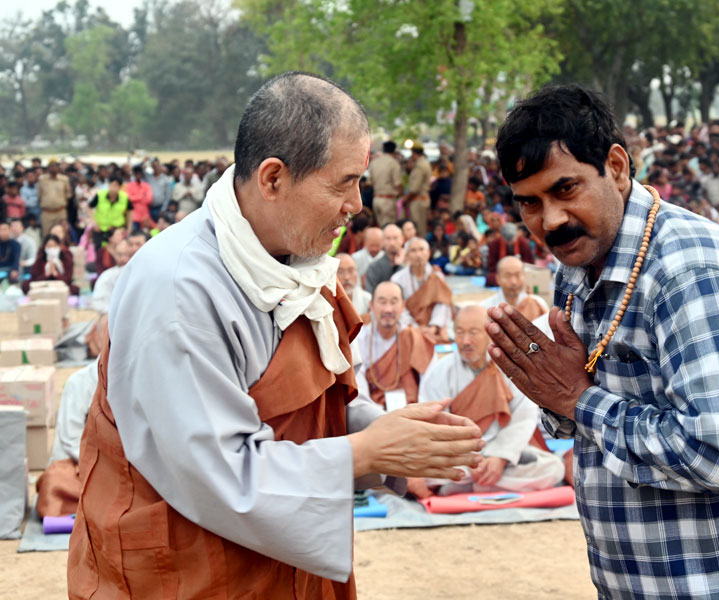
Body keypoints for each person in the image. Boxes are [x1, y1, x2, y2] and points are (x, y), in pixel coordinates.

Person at [68, 72, 484, 599]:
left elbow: (313, 396)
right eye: (343, 183)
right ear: (272, 179)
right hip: (189, 568)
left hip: (279, 563)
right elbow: (219, 471)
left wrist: (397, 437)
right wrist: (366, 453)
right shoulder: (178, 289)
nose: (356, 204)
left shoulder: (298, 263)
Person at [488, 84, 719, 599]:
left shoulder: (692, 270)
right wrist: (559, 396)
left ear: (616, 166)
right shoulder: (577, 260)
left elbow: (716, 454)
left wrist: (578, 400)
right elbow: (579, 413)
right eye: (529, 203)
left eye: (566, 189)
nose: (551, 222)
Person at [412, 305, 564, 498]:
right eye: (460, 332)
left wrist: (499, 459)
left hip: (501, 451)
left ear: (489, 334)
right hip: (458, 457)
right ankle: (489, 487)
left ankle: (467, 489)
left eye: (473, 333)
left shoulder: (510, 368)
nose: (466, 341)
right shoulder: (439, 373)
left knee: (553, 468)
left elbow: (524, 417)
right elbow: (434, 425)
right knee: (423, 472)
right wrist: (468, 458)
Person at [35, 357, 101, 519]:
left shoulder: (135, 381)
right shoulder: (79, 382)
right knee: (53, 483)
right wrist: (101, 464)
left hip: (124, 467)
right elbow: (71, 439)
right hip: (83, 463)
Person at [353, 281, 433, 410]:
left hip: (410, 410)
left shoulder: (413, 338)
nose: (388, 309)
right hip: (374, 410)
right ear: (372, 306)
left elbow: (429, 381)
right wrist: (372, 413)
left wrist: (421, 411)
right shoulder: (361, 339)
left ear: (403, 306)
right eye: (382, 302)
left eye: (394, 302)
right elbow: (358, 384)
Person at [390, 237, 453, 343]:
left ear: (428, 253)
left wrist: (433, 327)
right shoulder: (397, 279)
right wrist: (415, 328)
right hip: (409, 326)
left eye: (421, 250)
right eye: (413, 251)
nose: (418, 254)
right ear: (407, 255)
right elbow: (399, 307)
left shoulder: (437, 276)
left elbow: (443, 303)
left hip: (434, 327)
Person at [482, 256, 549, 320]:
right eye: (507, 276)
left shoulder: (537, 303)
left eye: (518, 275)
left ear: (524, 276)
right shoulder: (486, 307)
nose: (513, 282)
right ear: (497, 279)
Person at [89, 176, 133, 251]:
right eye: (111, 185)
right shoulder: (100, 195)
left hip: (116, 230)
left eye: (115, 186)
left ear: (120, 187)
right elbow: (89, 207)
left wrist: (129, 227)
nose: (112, 188)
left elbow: (130, 212)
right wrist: (94, 222)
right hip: (100, 229)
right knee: (100, 251)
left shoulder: (124, 197)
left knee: (117, 251)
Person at [484, 222, 535, 286]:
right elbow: (491, 265)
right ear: (502, 236)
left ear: (516, 235)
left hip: (519, 272)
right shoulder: (494, 244)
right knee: (490, 278)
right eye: (507, 240)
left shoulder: (524, 243)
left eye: (512, 239)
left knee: (530, 277)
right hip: (503, 273)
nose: (510, 243)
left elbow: (530, 263)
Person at [91, 239, 132, 314]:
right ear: (115, 254)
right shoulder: (107, 275)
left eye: (127, 254)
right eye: (120, 254)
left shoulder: (137, 274)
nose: (123, 258)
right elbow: (98, 303)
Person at [369, 140, 403, 226]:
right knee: (389, 228)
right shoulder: (394, 163)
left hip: (376, 199)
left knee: (381, 227)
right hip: (388, 200)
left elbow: (370, 182)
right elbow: (398, 184)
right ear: (394, 150)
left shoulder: (374, 162)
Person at [364, 223, 405, 293]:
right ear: (382, 241)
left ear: (402, 239)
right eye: (388, 238)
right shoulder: (374, 267)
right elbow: (370, 294)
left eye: (395, 238)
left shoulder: (410, 263)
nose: (392, 243)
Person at [37, 160, 71, 234]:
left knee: (62, 234)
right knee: (46, 234)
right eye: (51, 166)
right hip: (47, 213)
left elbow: (68, 195)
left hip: (60, 212)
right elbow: (39, 195)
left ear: (58, 168)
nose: (53, 168)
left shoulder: (64, 179)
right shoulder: (42, 179)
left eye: (55, 166)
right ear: (48, 168)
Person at [405, 141, 431, 236]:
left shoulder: (420, 165)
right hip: (420, 200)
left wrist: (405, 199)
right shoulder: (423, 163)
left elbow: (415, 189)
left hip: (418, 201)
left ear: (413, 152)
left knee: (418, 229)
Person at [336, 252, 371, 316]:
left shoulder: (367, 300)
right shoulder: (326, 302)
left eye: (351, 270)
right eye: (340, 272)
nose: (346, 277)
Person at [125, 164, 153, 231]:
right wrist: (141, 196)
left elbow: (149, 200)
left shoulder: (146, 186)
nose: (138, 176)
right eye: (136, 174)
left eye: (140, 174)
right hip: (134, 217)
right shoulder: (130, 185)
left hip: (145, 216)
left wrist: (135, 198)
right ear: (134, 175)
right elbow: (128, 198)